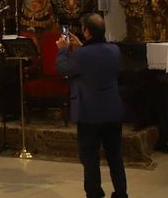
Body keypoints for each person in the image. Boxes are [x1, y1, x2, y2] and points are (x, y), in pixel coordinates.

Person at [56, 13, 128, 198]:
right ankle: (121, 192)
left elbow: (63, 68)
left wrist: (63, 49)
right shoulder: (114, 50)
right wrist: (81, 47)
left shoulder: (82, 55)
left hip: (90, 113)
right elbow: (96, 58)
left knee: (90, 158)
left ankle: (94, 193)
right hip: (112, 110)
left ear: (86, 31)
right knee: (115, 156)